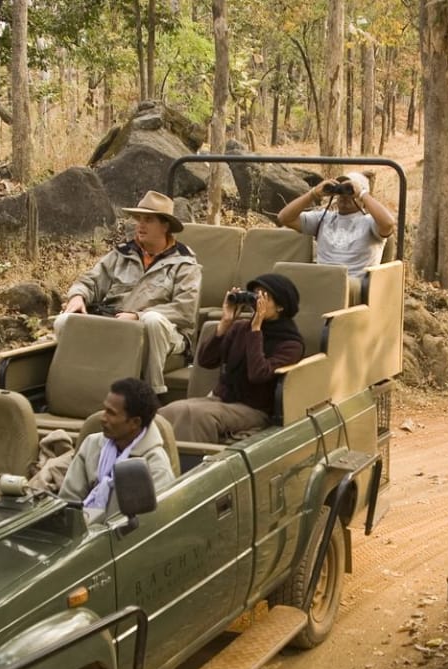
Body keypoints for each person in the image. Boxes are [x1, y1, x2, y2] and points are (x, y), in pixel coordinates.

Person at [58, 190, 201, 395]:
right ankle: (70, 390)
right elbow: (90, 281)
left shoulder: (185, 263)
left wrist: (137, 316)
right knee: (64, 321)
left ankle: (153, 394)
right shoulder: (123, 254)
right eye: (139, 219)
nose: (140, 225)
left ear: (165, 226)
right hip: (115, 322)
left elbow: (185, 310)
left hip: (166, 333)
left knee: (153, 320)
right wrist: (78, 296)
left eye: (148, 220)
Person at [161, 273, 305, 443]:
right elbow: (207, 361)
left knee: (195, 416)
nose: (257, 302)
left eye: (264, 297)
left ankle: (191, 465)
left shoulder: (290, 344)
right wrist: (225, 323)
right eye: (254, 296)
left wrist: (256, 330)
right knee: (169, 411)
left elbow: (258, 374)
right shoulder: (240, 328)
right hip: (222, 399)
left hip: (255, 409)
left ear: (280, 307)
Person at [59, 377, 177, 522]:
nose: (102, 418)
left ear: (135, 422)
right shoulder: (92, 444)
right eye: (104, 409)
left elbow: (149, 522)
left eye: (111, 413)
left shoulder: (155, 466)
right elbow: (67, 500)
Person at [277, 171, 397, 278]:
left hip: (354, 283)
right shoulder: (323, 218)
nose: (345, 195)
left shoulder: (370, 222)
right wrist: (313, 194)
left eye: (349, 190)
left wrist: (361, 193)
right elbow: (284, 218)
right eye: (341, 190)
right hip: (322, 281)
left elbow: (388, 224)